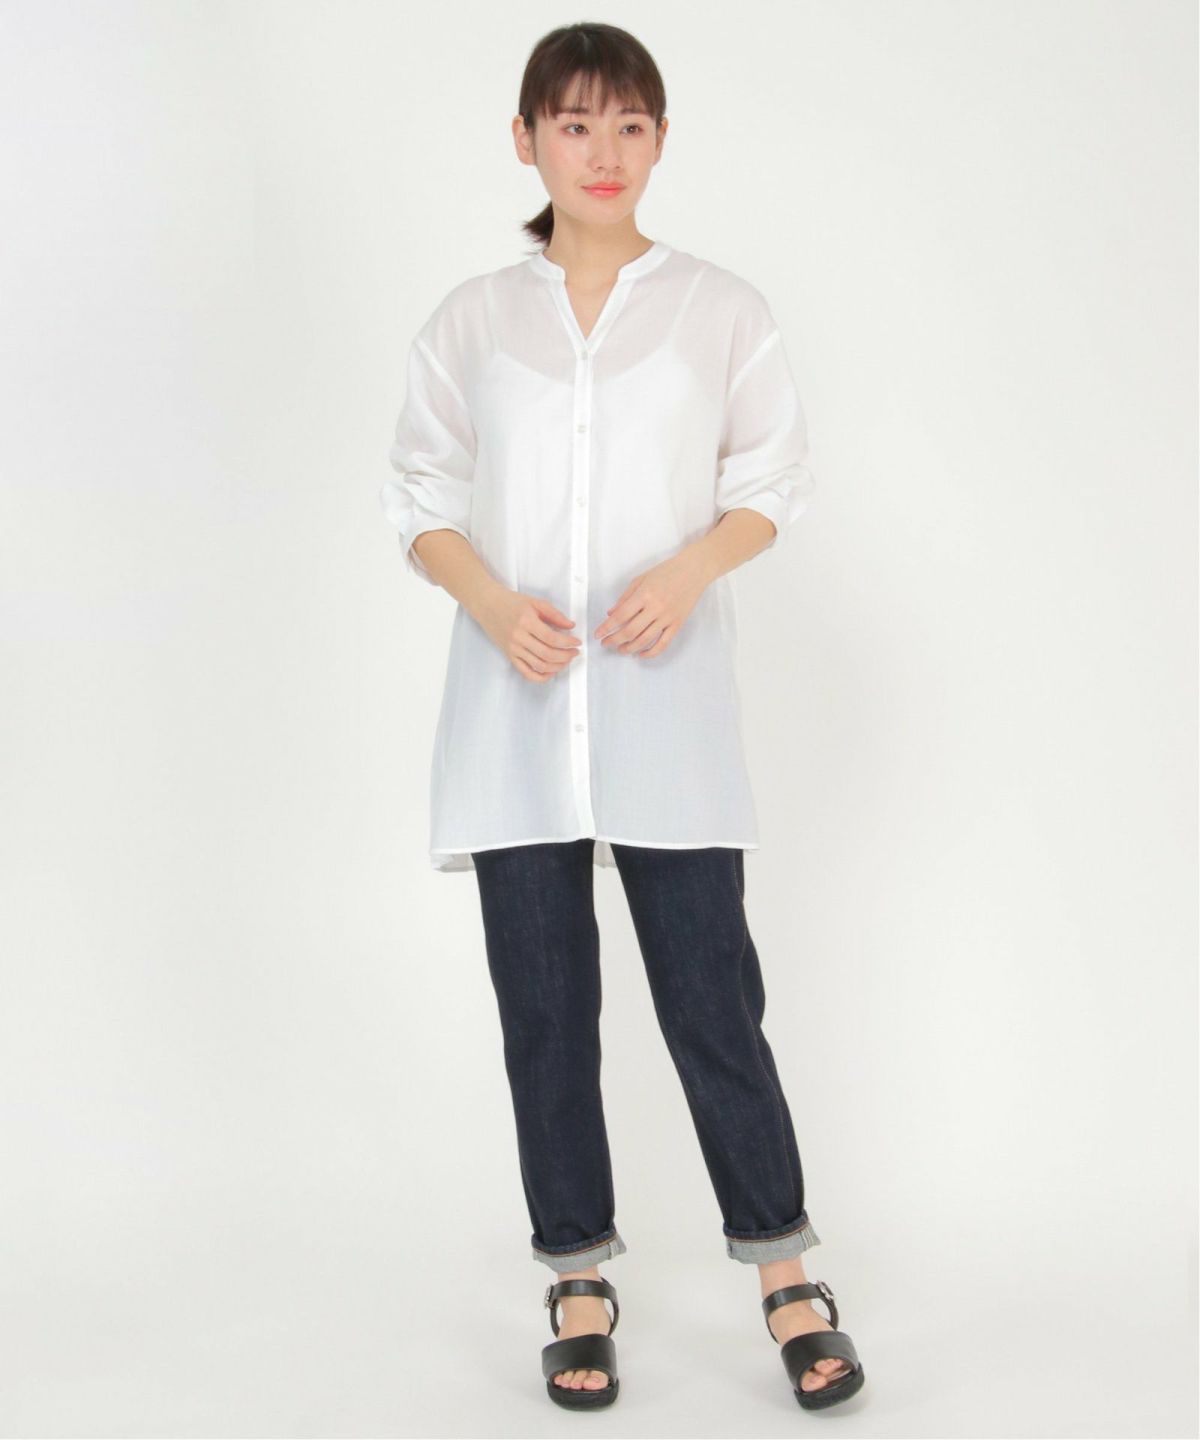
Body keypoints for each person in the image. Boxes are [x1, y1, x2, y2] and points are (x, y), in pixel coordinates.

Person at [380, 21, 865, 1414]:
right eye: (576, 124)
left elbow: (772, 476)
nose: (605, 152)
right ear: (526, 139)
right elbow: (418, 491)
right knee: (546, 1015)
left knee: (714, 1003)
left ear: (660, 139)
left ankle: (786, 1273)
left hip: (668, 714)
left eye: (631, 124)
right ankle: (577, 1278)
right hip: (517, 716)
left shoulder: (720, 309)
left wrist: (689, 570)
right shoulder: (473, 321)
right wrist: (489, 602)